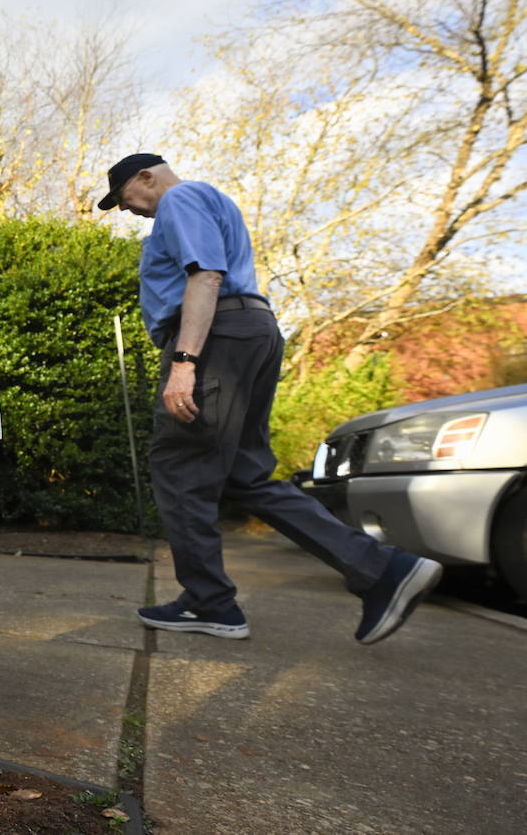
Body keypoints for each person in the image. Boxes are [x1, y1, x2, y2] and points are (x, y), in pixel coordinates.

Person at [97, 153, 441, 644]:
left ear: (145, 177)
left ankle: (208, 604)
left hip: (215, 337)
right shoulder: (211, 200)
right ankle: (382, 571)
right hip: (249, 330)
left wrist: (185, 363)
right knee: (245, 475)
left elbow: (205, 275)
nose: (129, 212)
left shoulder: (180, 199)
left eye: (125, 200)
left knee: (180, 470)